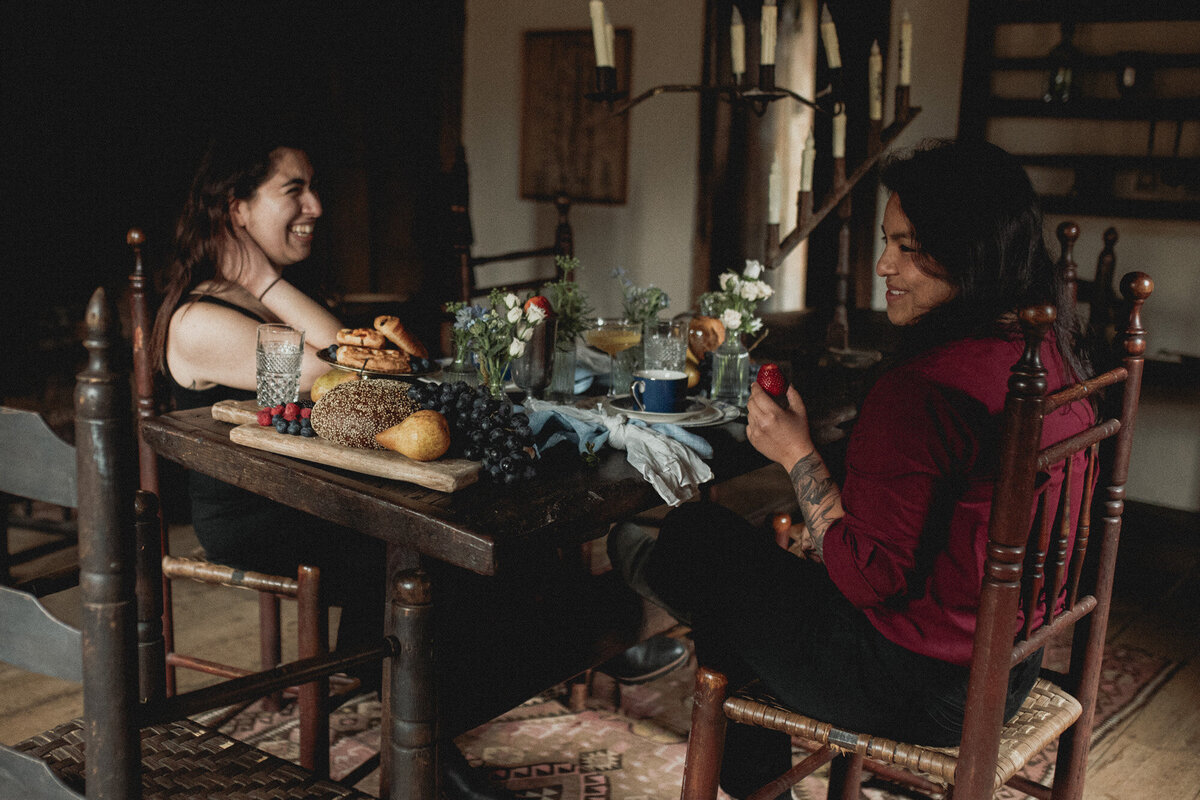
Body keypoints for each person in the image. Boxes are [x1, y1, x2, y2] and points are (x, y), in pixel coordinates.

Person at [608, 139, 1095, 798]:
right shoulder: (1049, 359)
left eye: (908, 247)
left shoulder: (924, 389)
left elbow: (869, 580)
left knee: (701, 538)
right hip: (1003, 671)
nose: (882, 264)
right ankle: (739, 729)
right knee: (749, 570)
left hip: (909, 687)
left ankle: (657, 578)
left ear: (969, 253)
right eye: (886, 241)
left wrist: (796, 453)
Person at [151, 131, 518, 800]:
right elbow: (348, 373)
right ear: (236, 209)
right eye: (294, 190)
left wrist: (269, 283)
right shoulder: (200, 318)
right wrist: (265, 279)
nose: (316, 206)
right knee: (442, 562)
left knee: (471, 534)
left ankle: (400, 690)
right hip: (258, 512)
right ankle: (428, 752)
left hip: (315, 487)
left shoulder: (259, 297)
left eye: (312, 188)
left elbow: (364, 364)